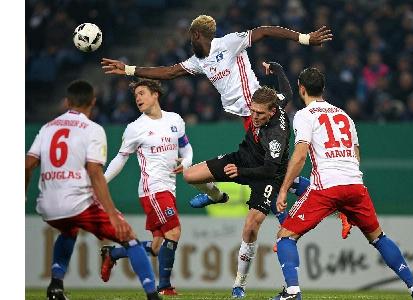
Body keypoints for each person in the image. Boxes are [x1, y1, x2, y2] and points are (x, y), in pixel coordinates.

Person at [100, 15, 353, 238]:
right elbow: (170, 72)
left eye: (190, 38)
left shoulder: (228, 43)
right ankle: (225, 198)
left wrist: (305, 39)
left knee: (272, 172)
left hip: (264, 114)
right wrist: (129, 69)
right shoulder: (200, 61)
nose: (188, 43)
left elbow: (264, 31)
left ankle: (310, 214)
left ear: (197, 35)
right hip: (249, 119)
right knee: (275, 172)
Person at [271, 68, 413, 300]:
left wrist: (283, 190)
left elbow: (300, 155)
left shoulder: (304, 115)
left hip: (326, 187)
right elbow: (356, 155)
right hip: (355, 185)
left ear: (301, 89)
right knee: (379, 237)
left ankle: (292, 292)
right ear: (322, 89)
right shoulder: (345, 116)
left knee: (285, 237)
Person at [25, 80, 161, 300]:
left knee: (68, 230)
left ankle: (55, 287)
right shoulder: (93, 129)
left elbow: (26, 165)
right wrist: (111, 215)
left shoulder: (47, 128)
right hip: (79, 203)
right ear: (93, 102)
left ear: (67, 102)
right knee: (130, 238)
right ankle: (152, 295)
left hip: (47, 205)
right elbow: (96, 174)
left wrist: (22, 194)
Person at [183, 82, 290, 298]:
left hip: (267, 176)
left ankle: (239, 285)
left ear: (271, 112)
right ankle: (217, 196)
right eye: (253, 111)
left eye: (260, 113)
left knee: (251, 227)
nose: (255, 116)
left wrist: (240, 172)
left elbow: (269, 169)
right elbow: (287, 91)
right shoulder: (276, 103)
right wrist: (276, 67)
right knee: (189, 175)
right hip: (243, 158)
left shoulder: (276, 134)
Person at [99, 79, 192, 296]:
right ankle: (165, 286)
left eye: (142, 93)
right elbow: (120, 159)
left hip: (170, 188)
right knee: (174, 231)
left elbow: (186, 149)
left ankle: (113, 254)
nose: (138, 98)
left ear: (155, 94)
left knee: (159, 246)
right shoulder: (135, 128)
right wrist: (101, 182)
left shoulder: (175, 120)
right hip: (153, 189)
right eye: (136, 95)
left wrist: (186, 163)